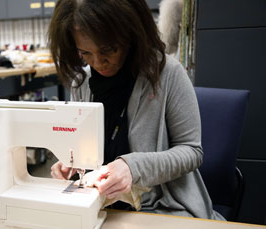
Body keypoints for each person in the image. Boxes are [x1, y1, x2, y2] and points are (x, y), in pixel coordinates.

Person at [48, 0, 224, 220]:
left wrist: (133, 167)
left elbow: (191, 152)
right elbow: (81, 148)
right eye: (85, 53)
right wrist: (70, 161)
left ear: (129, 33)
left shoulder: (167, 74)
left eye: (108, 50)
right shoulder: (82, 83)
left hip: (163, 209)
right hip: (104, 207)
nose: (98, 63)